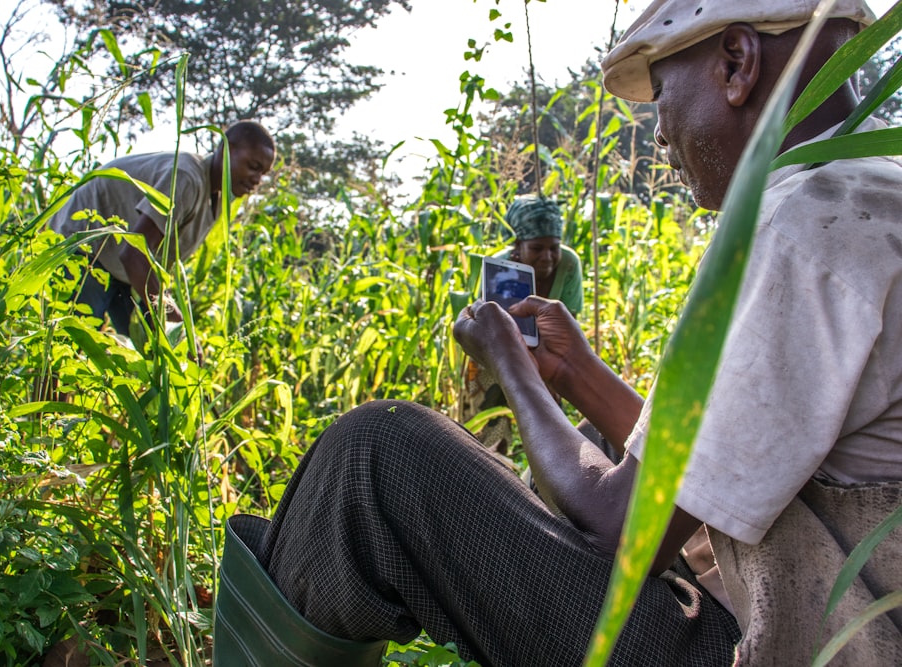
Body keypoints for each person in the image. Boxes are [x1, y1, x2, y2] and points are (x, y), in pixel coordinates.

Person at [227, 0, 902, 665]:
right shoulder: (866, 198)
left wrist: (513, 369)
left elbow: (622, 525)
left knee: (376, 455)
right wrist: (574, 370)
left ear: (737, 63)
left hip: (768, 641)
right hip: (794, 609)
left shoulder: (799, 230)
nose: (660, 135)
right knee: (604, 436)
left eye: (662, 93)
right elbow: (707, 467)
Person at [51, 120, 275, 337]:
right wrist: (177, 323)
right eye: (253, 167)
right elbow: (134, 254)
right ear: (227, 149)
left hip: (122, 268)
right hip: (86, 246)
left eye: (263, 174)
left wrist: (174, 329)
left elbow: (152, 265)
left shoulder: (214, 198)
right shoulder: (186, 177)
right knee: (70, 347)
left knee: (152, 353)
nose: (257, 180)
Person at [460, 196, 584, 456]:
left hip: (547, 353)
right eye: (537, 248)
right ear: (518, 246)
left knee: (553, 434)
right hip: (494, 354)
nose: (548, 257)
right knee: (490, 436)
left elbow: (567, 326)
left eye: (554, 248)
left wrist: (548, 376)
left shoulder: (569, 265)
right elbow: (492, 330)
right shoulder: (499, 270)